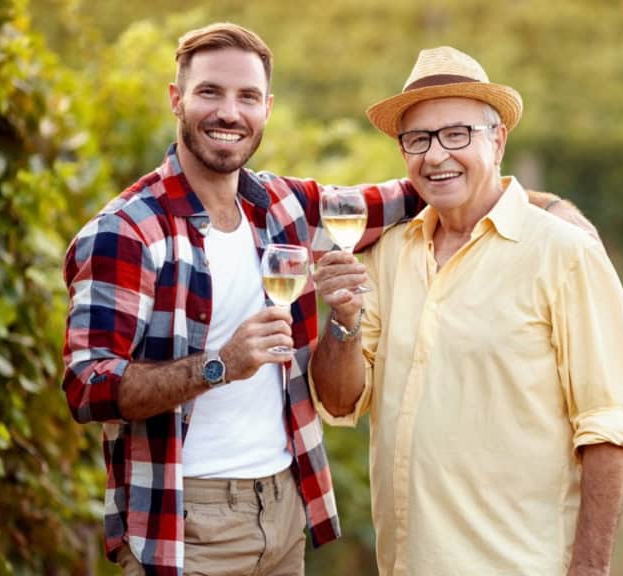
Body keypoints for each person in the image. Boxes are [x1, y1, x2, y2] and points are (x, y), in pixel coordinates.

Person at [61, 24, 587, 575]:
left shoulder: (282, 207)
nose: (229, 113)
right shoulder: (127, 232)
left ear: (266, 108)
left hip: (284, 510)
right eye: (210, 92)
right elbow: (87, 386)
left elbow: (425, 189)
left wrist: (546, 210)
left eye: (247, 97)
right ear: (177, 99)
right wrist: (219, 365)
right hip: (184, 519)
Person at [310, 46, 623, 576]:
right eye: (418, 139)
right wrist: (343, 321)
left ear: (498, 140)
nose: (435, 155)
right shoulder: (387, 254)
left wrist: (589, 569)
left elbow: (608, 426)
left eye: (456, 134)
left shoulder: (565, 254)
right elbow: (340, 400)